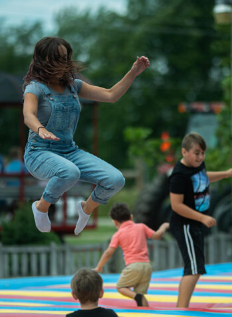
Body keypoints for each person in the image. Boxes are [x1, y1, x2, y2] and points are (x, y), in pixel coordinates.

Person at [23, 37, 150, 235]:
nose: (62, 64)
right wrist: (40, 129)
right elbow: (28, 114)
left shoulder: (74, 86)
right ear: (43, 61)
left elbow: (110, 95)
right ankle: (41, 207)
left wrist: (133, 72)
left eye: (65, 58)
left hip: (68, 151)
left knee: (116, 179)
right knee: (70, 172)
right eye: (56, 59)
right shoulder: (35, 88)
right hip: (39, 153)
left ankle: (86, 209)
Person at [169, 132, 232, 308]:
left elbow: (203, 178)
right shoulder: (179, 175)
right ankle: (181, 309)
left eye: (203, 153)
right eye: (197, 153)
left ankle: (182, 306)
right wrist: (202, 217)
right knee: (193, 269)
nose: (201, 157)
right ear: (184, 152)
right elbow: (176, 205)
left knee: (197, 269)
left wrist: (224, 174)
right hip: (185, 224)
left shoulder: (197, 166)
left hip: (195, 223)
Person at [95, 203, 169, 307]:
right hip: (147, 266)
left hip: (133, 266)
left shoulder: (118, 234)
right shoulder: (141, 227)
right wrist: (164, 226)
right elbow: (157, 235)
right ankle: (145, 313)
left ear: (115, 222)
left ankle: (137, 298)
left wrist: (99, 266)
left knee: (121, 287)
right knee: (140, 295)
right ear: (131, 217)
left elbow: (108, 253)